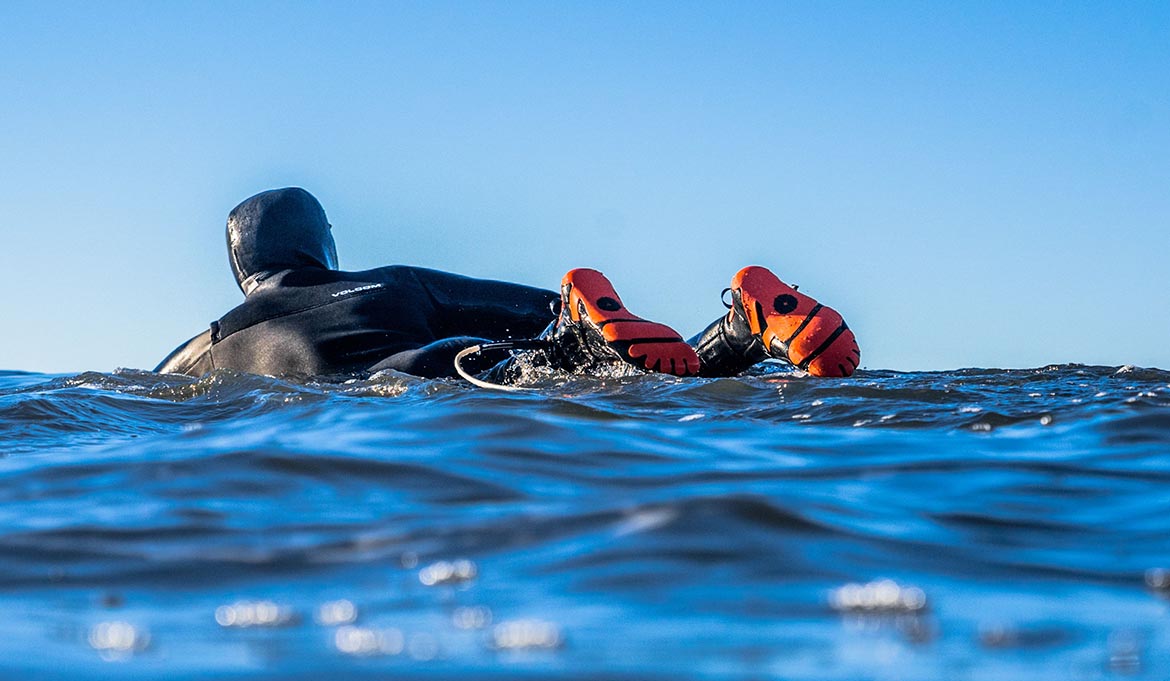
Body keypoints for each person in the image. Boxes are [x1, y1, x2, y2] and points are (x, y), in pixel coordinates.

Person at [156, 187, 859, 381]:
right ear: (322, 245)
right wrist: (574, 319)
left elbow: (131, 395)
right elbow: (547, 307)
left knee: (578, 367)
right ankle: (744, 324)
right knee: (579, 352)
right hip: (451, 357)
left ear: (240, 268)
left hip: (398, 390)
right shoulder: (393, 282)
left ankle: (734, 330)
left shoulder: (202, 348)